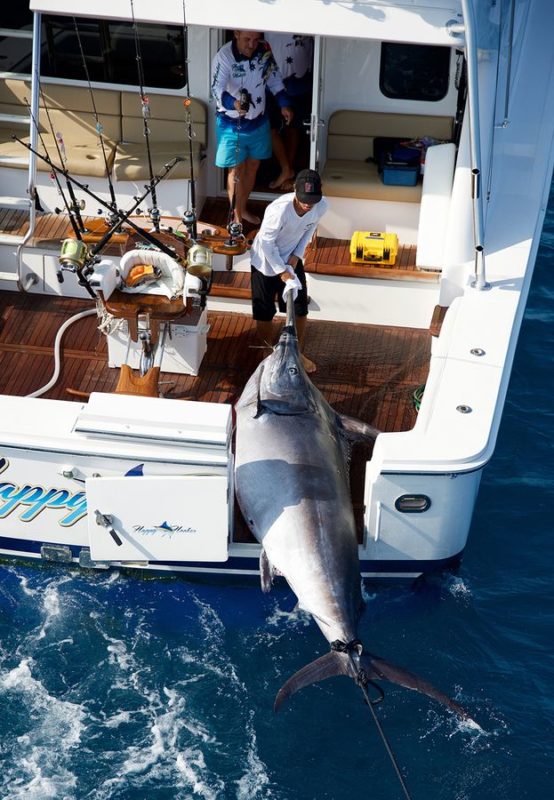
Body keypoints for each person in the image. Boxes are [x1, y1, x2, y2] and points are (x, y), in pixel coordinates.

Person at [211, 31, 293, 226]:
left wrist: (284, 104)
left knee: (253, 166)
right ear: (236, 34)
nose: (251, 44)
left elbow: (274, 78)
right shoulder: (224, 56)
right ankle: (236, 219)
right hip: (231, 123)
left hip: (258, 121)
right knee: (236, 170)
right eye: (247, 39)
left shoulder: (264, 49)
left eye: (255, 39)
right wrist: (234, 104)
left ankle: (242, 208)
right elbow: (216, 89)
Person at [250, 168, 327, 373]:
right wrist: (281, 271)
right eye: (304, 199)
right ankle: (267, 352)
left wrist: (296, 257)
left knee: (300, 307)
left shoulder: (321, 205)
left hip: (291, 258)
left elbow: (309, 229)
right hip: (264, 262)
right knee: (264, 311)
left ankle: (297, 353)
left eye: (312, 200)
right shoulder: (278, 211)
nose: (308, 204)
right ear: (294, 189)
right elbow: (266, 243)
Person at [264, 33, 314, 190]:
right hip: (269, 81)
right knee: (269, 128)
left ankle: (288, 171)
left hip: (299, 81)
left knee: (293, 127)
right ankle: (286, 169)